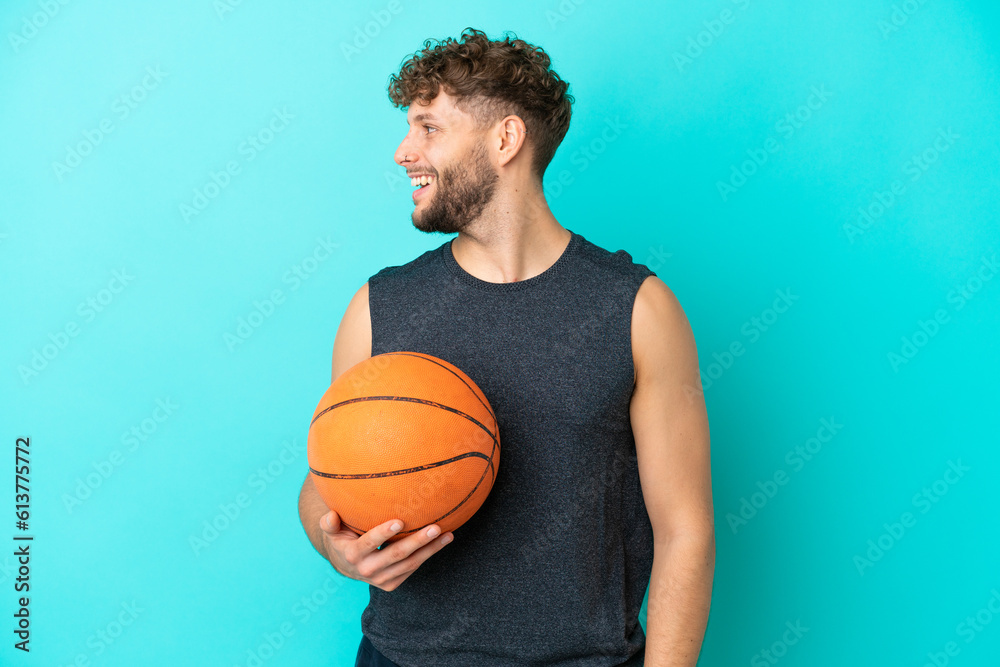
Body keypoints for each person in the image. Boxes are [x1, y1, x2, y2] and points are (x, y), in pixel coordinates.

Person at [297, 27, 715, 667]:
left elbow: (685, 529)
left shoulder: (637, 309)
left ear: (505, 140)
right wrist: (337, 548)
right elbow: (325, 483)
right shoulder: (379, 307)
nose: (403, 151)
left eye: (429, 128)